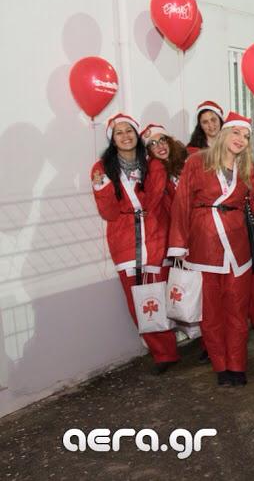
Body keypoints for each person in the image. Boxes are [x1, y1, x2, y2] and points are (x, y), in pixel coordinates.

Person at [143, 122, 254, 355]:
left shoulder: (194, 157)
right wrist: (179, 243)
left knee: (250, 294)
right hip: (199, 242)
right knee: (210, 303)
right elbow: (172, 206)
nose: (159, 146)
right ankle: (215, 350)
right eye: (152, 144)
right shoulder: (157, 171)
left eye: (162, 140)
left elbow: (247, 198)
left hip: (232, 241)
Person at [168, 112, 254, 386]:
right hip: (203, 247)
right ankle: (221, 366)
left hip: (237, 249)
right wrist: (178, 245)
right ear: (224, 134)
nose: (241, 140)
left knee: (237, 310)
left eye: (246, 136)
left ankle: (237, 365)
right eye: (236, 133)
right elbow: (182, 203)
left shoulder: (247, 167)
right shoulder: (197, 162)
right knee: (211, 313)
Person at [91, 114, 179, 374]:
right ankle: (163, 353)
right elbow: (109, 212)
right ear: (112, 139)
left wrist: (132, 202)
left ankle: (172, 343)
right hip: (125, 241)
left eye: (129, 130)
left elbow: (151, 201)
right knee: (136, 300)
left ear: (136, 135)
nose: (125, 136)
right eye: (119, 133)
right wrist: (103, 189)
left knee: (160, 295)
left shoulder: (153, 165)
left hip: (156, 235)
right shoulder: (102, 168)